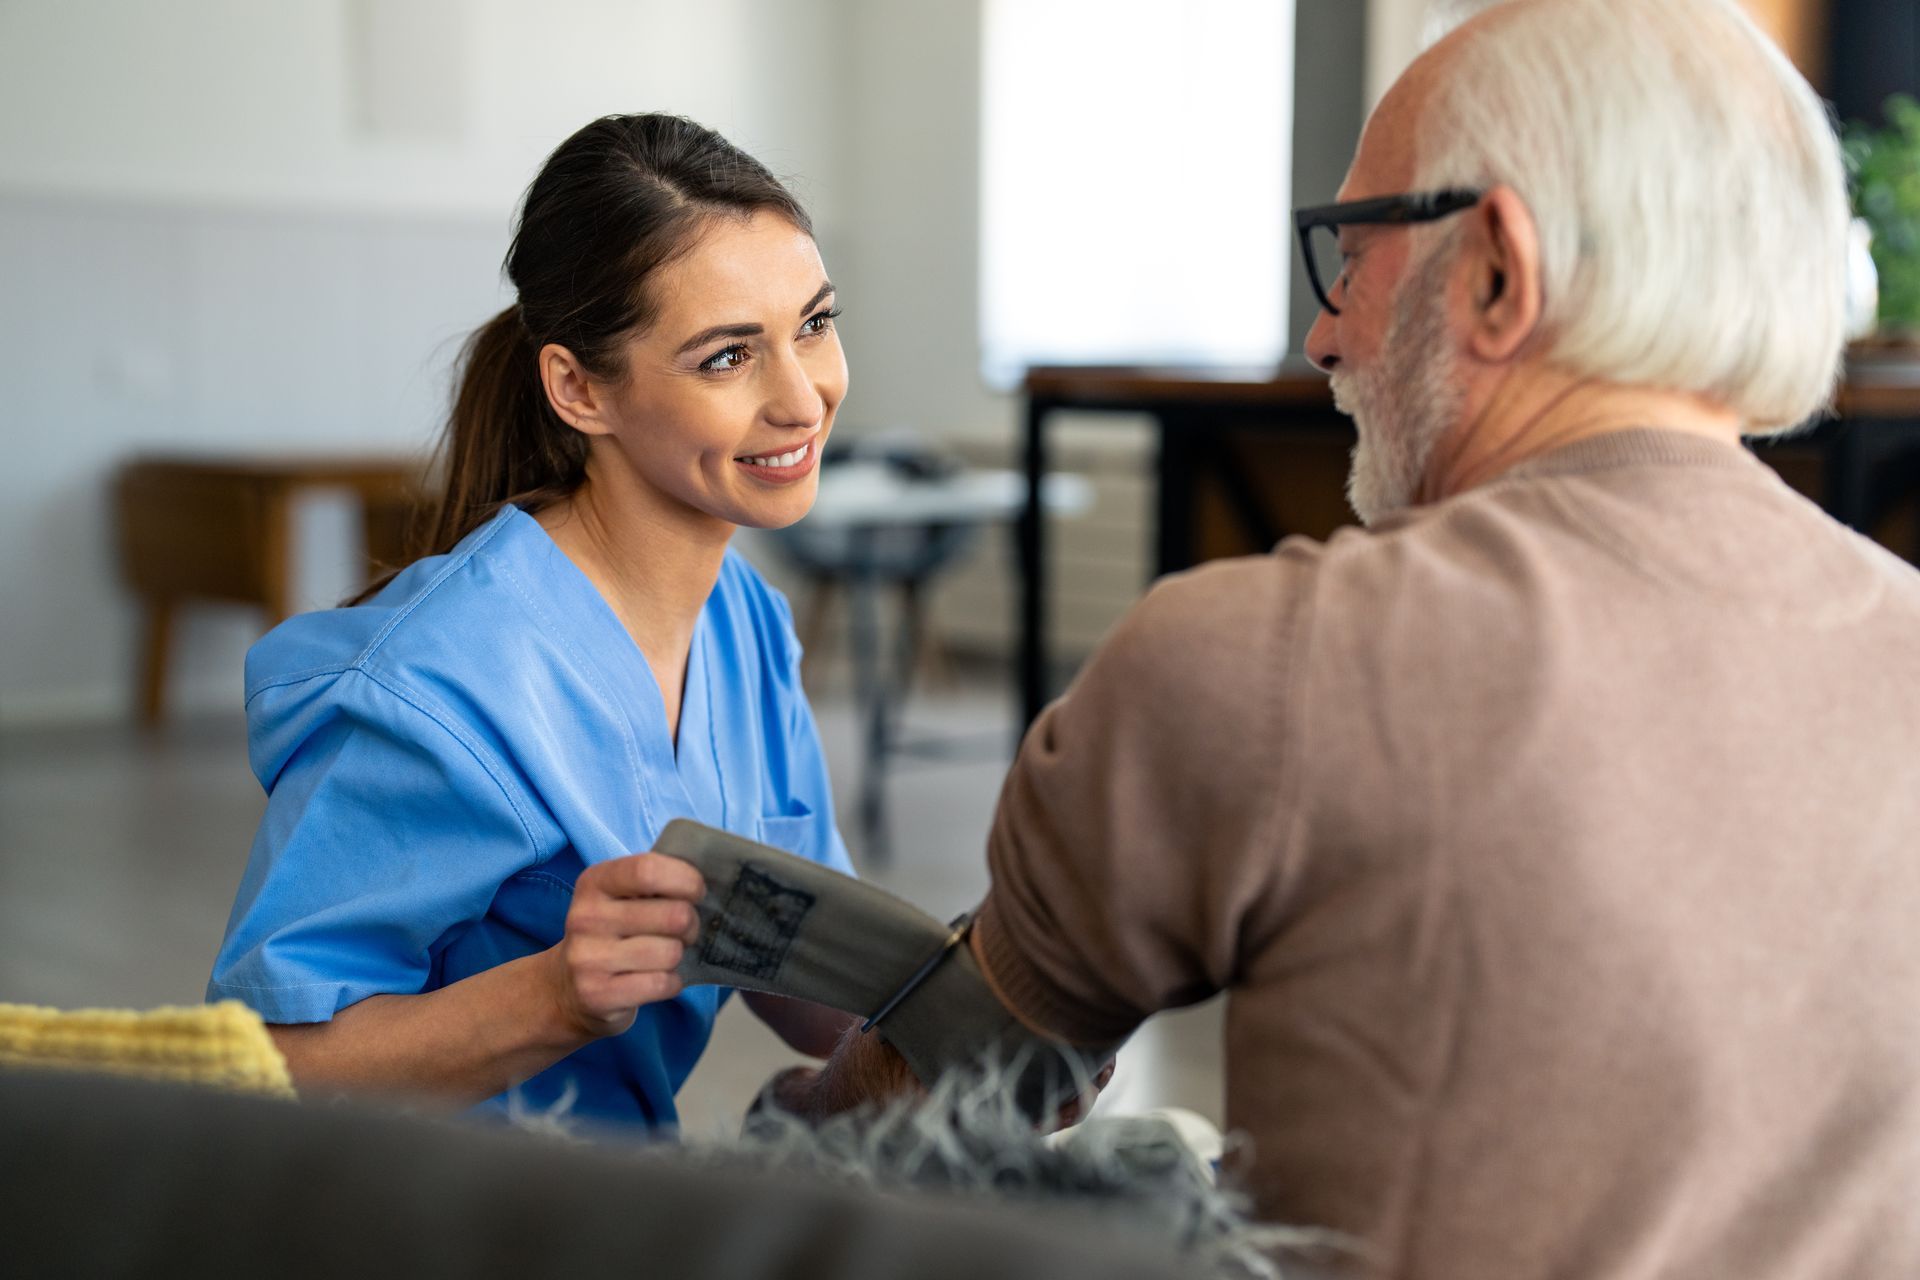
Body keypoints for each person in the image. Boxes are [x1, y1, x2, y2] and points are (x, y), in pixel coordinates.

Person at [774, 1, 1920, 1274]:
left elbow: (910, 1104)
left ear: (1494, 268)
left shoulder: (1265, 659)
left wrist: (735, 1142)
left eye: (1350, 252)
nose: (1323, 332)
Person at [209, 113, 857, 1128]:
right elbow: (264, 1073)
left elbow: (814, 984)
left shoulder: (748, 626)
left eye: (813, 324)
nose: (802, 398)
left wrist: (1000, 994)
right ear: (578, 387)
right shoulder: (436, 681)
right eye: (729, 357)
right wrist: (555, 994)